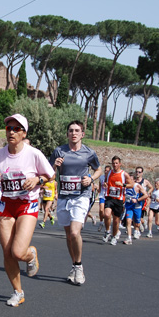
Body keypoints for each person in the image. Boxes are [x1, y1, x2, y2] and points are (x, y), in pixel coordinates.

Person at [0, 114, 54, 306]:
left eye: (16, 129)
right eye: (8, 128)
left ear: (24, 133)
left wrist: (37, 180)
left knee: (18, 252)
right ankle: (18, 292)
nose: (11, 132)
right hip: (7, 204)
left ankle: (30, 254)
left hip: (27, 204)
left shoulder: (34, 154)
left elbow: (51, 175)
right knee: (7, 253)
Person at [49, 120, 102, 284]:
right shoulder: (59, 151)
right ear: (67, 134)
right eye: (71, 130)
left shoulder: (89, 153)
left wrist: (91, 178)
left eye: (77, 130)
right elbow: (49, 174)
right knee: (68, 235)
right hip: (64, 196)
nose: (73, 133)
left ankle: (78, 266)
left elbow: (98, 169)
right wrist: (55, 166)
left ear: (82, 134)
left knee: (74, 232)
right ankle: (74, 264)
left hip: (81, 195)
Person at [102, 156, 133, 245]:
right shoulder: (109, 173)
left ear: (120, 164)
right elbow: (106, 181)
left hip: (119, 199)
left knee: (116, 221)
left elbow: (131, 184)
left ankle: (114, 236)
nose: (115, 165)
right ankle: (107, 231)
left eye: (116, 163)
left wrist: (123, 184)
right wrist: (105, 184)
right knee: (106, 214)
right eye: (113, 163)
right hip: (109, 197)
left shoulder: (124, 174)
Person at [123, 173, 148, 245]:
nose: (128, 181)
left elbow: (146, 195)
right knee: (128, 220)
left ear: (134, 180)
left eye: (130, 179)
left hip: (137, 206)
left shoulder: (137, 186)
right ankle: (129, 238)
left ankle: (137, 229)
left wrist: (137, 200)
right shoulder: (125, 186)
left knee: (137, 222)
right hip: (129, 207)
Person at [96, 164, 110, 231]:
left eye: (108, 171)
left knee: (107, 213)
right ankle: (101, 222)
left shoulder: (111, 178)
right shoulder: (101, 177)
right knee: (101, 210)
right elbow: (99, 189)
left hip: (109, 196)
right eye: (105, 170)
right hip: (102, 195)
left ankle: (107, 225)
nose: (106, 172)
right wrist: (97, 191)